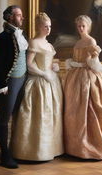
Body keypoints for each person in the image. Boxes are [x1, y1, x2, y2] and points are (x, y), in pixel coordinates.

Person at [10, 12, 64, 161]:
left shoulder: (48, 44)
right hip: (38, 82)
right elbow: (29, 64)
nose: (48, 29)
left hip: (51, 81)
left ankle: (51, 148)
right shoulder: (34, 42)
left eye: (50, 26)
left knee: (51, 114)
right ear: (39, 26)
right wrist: (42, 73)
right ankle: (33, 150)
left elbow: (49, 60)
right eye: (45, 26)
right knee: (38, 115)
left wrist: (54, 66)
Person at [64, 15, 102, 160]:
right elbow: (76, 59)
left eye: (83, 26)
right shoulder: (78, 42)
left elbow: (95, 61)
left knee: (91, 107)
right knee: (75, 109)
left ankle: (92, 144)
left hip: (88, 77)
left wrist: (89, 61)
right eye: (79, 26)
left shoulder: (91, 41)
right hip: (75, 78)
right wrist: (73, 64)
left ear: (88, 27)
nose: (81, 28)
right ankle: (76, 146)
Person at [0, 5, 28, 169]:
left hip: (23, 79)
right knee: (4, 118)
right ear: (10, 17)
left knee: (18, 115)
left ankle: (15, 149)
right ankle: (4, 155)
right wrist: (2, 84)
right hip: (10, 81)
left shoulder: (21, 34)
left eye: (21, 15)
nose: (22, 17)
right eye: (19, 15)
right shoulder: (1, 38)